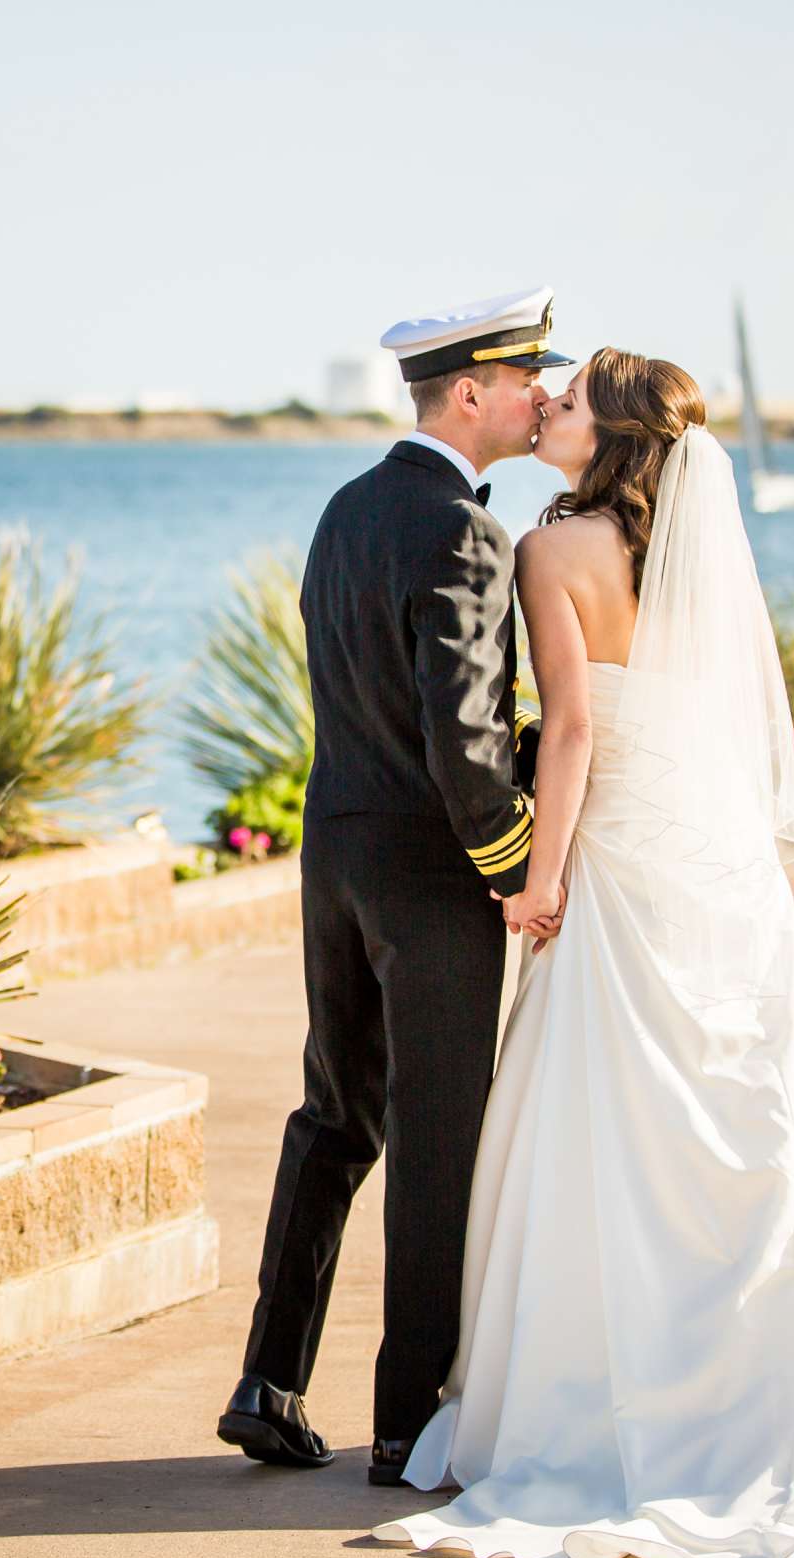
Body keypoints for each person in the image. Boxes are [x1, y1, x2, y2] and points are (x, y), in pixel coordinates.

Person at [370, 349, 794, 1558]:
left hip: (623, 862)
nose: (547, 411)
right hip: (716, 868)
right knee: (754, 1120)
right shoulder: (686, 552)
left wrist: (543, 874)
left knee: (600, 1127)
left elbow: (570, 729)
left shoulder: (547, 551)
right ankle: (775, 1402)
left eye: (567, 404)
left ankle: (599, 1407)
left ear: (611, 436)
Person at [217, 288, 566, 1487]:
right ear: (469, 393)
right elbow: (466, 740)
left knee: (334, 1115)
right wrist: (519, 871)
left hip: (338, 862)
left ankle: (270, 1379)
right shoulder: (468, 534)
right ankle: (409, 1423)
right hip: (432, 874)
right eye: (529, 380)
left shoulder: (342, 510)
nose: (542, 397)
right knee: (436, 1145)